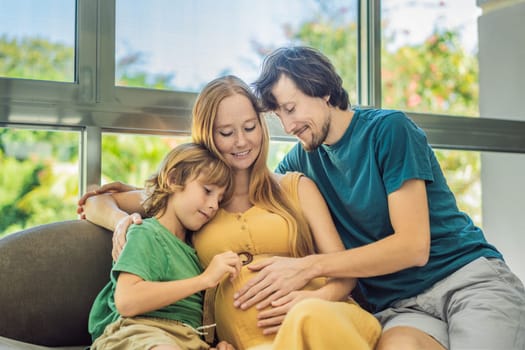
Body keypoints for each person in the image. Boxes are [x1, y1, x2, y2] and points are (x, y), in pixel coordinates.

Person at [228, 46, 525, 350]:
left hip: (465, 279)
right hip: (403, 309)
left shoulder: (389, 130)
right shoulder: (299, 164)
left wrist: (312, 266)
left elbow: (412, 247)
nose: (289, 127)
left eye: (290, 109)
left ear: (324, 91)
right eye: (279, 116)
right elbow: (250, 202)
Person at [79, 75, 381, 350]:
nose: (241, 141)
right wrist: (121, 224)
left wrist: (308, 300)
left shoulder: (296, 188)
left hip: (325, 322)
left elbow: (344, 274)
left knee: (308, 318)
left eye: (250, 128)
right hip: (252, 343)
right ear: (208, 135)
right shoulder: (195, 197)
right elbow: (96, 201)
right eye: (226, 132)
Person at [87, 143, 238, 350]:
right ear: (173, 179)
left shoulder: (195, 252)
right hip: (139, 331)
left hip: (188, 339)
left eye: (219, 199)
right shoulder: (145, 232)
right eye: (207, 191)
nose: (214, 205)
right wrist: (204, 280)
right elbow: (127, 300)